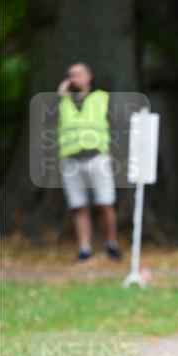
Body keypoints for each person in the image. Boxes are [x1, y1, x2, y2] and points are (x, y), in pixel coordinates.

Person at [57, 62, 121, 262]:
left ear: (89, 76)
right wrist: (60, 96)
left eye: (78, 73)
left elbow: (116, 124)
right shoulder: (63, 102)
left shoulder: (102, 97)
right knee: (79, 206)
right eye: (71, 75)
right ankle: (84, 248)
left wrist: (114, 151)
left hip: (97, 158)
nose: (74, 77)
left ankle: (111, 244)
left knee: (105, 203)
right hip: (71, 160)